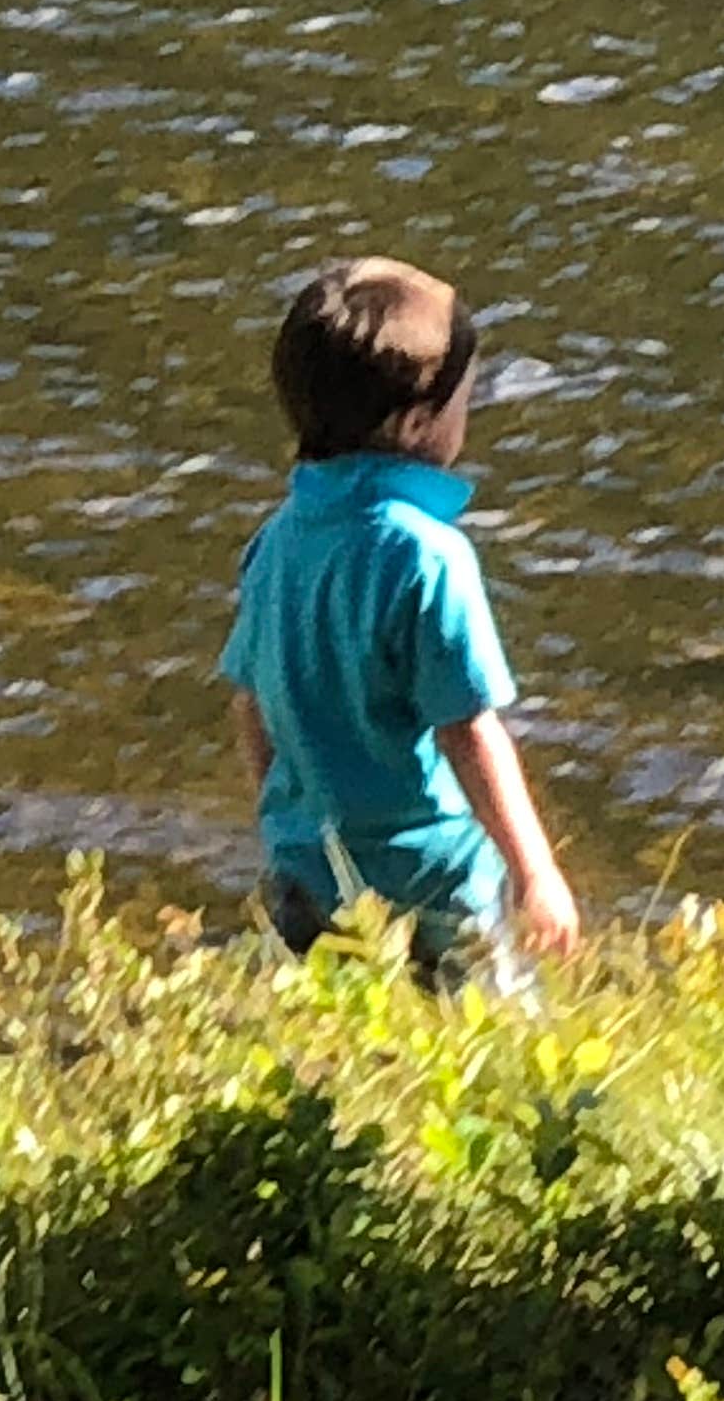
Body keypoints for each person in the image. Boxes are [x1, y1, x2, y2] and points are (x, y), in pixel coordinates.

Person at [221, 256, 580, 980]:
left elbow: (251, 705)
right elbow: (468, 732)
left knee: (329, 1018)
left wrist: (285, 821)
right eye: (465, 400)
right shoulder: (429, 557)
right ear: (418, 424)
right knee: (484, 1029)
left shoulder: (275, 543)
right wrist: (535, 871)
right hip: (432, 877)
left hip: (308, 873)